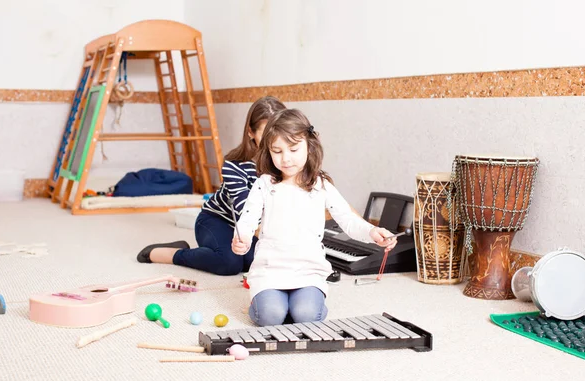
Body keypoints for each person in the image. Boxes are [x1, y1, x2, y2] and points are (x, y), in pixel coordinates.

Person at [232, 108, 399, 326]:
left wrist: (371, 231)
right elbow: (248, 219)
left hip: (308, 271)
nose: (286, 159)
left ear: (309, 146)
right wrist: (242, 238)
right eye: (277, 151)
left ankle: (299, 302)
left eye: (293, 149)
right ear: (268, 152)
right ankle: (271, 303)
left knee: (306, 316)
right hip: (270, 271)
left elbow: (347, 219)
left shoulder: (321, 185)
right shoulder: (264, 184)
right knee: (270, 317)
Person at [137, 96, 287, 275]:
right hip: (218, 220)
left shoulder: (287, 162)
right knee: (229, 263)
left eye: (278, 132)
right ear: (250, 132)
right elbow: (246, 212)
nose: (273, 141)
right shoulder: (234, 164)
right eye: (266, 133)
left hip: (252, 229)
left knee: (254, 261)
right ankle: (172, 254)